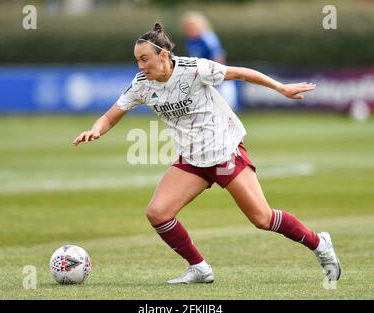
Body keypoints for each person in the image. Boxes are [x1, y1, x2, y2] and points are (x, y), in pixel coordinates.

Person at [72, 23, 341, 284]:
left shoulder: (195, 69)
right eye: (137, 60)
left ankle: (320, 244)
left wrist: (280, 87)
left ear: (163, 55)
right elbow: (110, 116)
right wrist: (95, 130)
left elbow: (242, 73)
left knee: (262, 218)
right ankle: (199, 268)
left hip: (225, 153)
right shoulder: (142, 84)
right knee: (158, 213)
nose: (141, 66)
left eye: (145, 59)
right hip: (192, 160)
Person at [183, 11, 238, 110]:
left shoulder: (207, 38)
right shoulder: (190, 41)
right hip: (203, 79)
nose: (189, 29)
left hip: (216, 80)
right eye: (188, 27)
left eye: (192, 26)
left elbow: (219, 58)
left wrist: (214, 78)